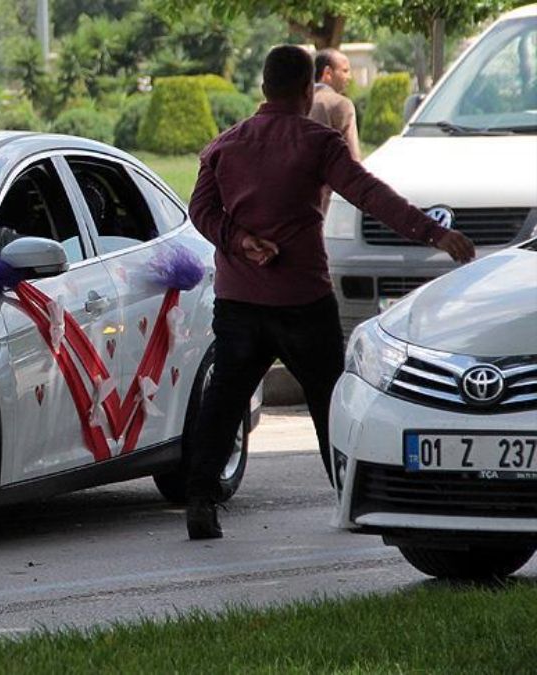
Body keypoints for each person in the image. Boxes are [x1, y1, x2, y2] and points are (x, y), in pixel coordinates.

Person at [184, 45, 475, 541]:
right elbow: (369, 194)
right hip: (301, 299)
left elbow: (201, 211)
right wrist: (434, 233)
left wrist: (240, 241)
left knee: (224, 399)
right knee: (329, 400)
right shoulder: (318, 142)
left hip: (238, 300)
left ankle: (200, 502)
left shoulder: (223, 145)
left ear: (262, 88)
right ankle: (348, 494)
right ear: (306, 90)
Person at [310, 49, 360, 161]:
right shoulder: (341, 104)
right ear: (328, 73)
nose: (349, 77)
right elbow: (352, 158)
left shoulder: (299, 102)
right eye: (345, 71)